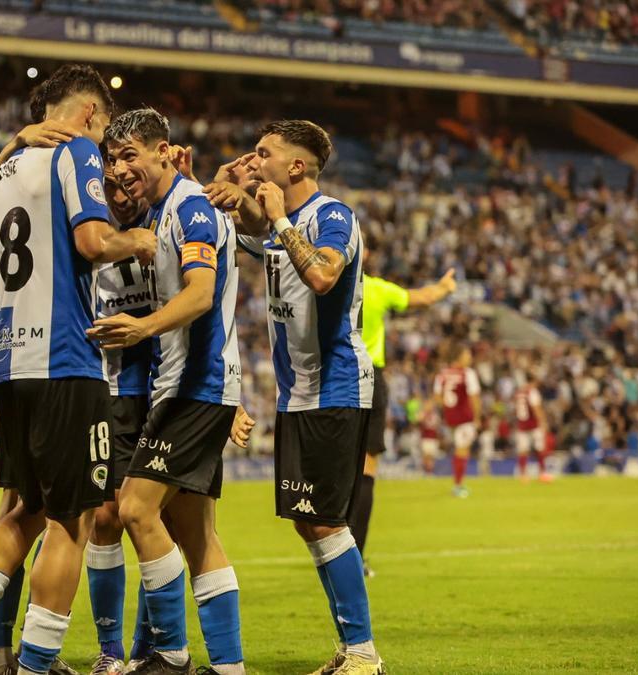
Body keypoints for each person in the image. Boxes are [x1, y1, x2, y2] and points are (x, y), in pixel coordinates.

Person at [0, 64, 157, 675]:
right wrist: (135, 242)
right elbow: (91, 242)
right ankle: (35, 665)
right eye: (106, 128)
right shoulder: (77, 150)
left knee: (21, 511)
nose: (107, 151)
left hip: (10, 365)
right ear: (88, 113)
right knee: (71, 520)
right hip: (66, 363)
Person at [206, 120, 384, 674]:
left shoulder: (331, 217)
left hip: (335, 388)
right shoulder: (281, 228)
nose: (253, 160)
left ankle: (363, 654)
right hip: (298, 395)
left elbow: (325, 277)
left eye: (264, 154)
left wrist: (278, 216)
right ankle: (349, 648)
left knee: (327, 521)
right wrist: (228, 183)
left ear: (296, 167)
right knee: (310, 522)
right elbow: (238, 224)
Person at [91, 107, 245, 675]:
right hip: (189, 387)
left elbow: (202, 294)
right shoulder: (165, 210)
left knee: (132, 508)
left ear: (163, 151)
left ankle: (172, 656)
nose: (120, 168)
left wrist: (141, 328)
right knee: (194, 532)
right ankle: (229, 667)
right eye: (112, 158)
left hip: (192, 387)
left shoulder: (190, 209)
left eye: (130, 155)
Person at [348, 244, 457, 571]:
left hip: (332, 378)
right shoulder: (376, 289)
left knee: (339, 468)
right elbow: (419, 298)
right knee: (367, 467)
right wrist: (444, 287)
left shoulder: (322, 289)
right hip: (369, 376)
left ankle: (332, 552)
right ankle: (355, 556)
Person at [434, 345, 482, 498]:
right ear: (459, 356)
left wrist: (449, 408)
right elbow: (474, 397)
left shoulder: (442, 374)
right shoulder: (467, 373)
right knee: (462, 449)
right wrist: (477, 417)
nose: (470, 357)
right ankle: (458, 486)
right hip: (465, 417)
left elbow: (437, 397)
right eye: (467, 354)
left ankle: (458, 483)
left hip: (451, 418)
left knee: (461, 448)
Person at [512, 373, 552, 482]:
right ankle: (543, 473)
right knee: (540, 448)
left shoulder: (519, 392)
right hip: (534, 424)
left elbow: (516, 409)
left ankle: (523, 475)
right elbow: (536, 408)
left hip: (521, 424)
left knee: (523, 450)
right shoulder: (532, 392)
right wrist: (543, 422)